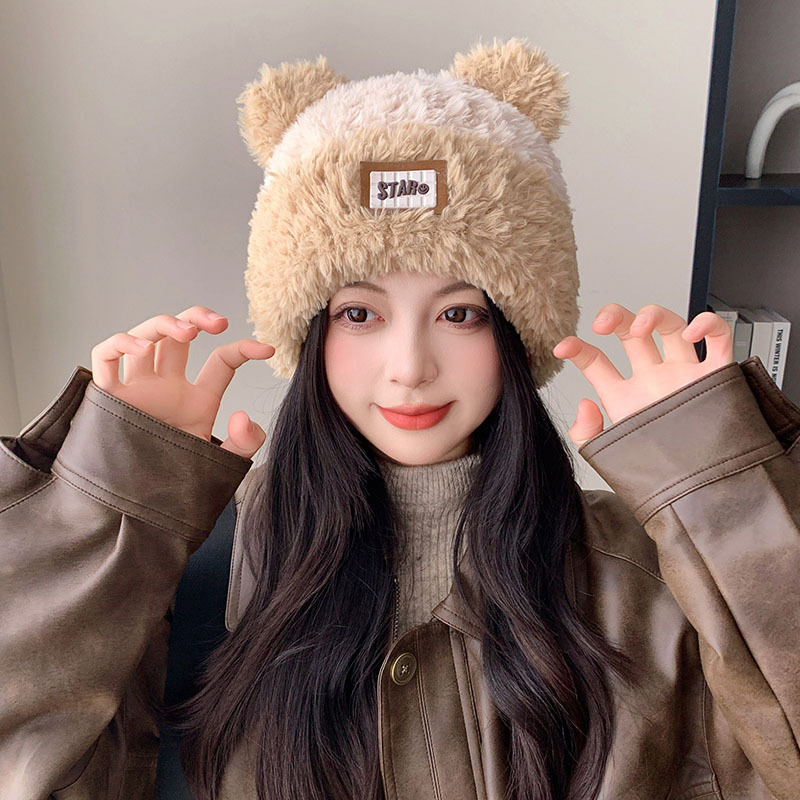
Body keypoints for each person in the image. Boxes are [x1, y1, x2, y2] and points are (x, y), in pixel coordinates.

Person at [1, 37, 799, 800]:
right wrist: (111, 501)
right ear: (309, 337)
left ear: (515, 337)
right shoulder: (190, 568)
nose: (410, 366)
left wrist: (717, 483)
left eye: (459, 314)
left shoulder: (658, 572)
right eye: (359, 314)